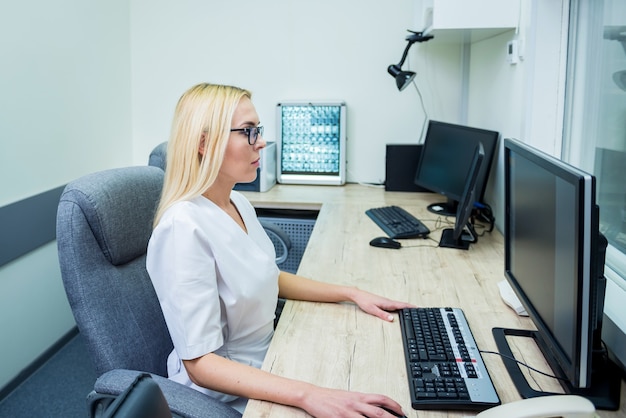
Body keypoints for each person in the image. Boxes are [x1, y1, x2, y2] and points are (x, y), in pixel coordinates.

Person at [146, 82, 413, 417]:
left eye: (258, 130)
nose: (262, 142)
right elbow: (201, 364)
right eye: (248, 131)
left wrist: (351, 293)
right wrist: (309, 395)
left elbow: (268, 276)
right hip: (227, 394)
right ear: (203, 143)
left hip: (272, 359)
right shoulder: (182, 229)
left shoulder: (237, 202)